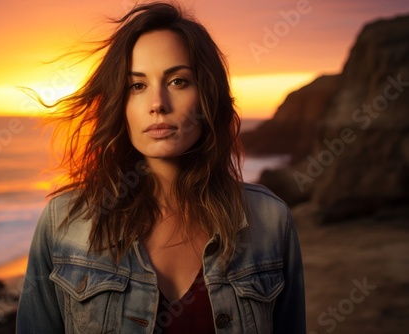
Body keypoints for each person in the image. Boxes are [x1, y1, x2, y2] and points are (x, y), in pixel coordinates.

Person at [16, 2, 306, 333]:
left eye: (178, 81)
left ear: (207, 95)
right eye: (136, 86)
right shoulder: (64, 224)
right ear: (119, 104)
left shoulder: (270, 220)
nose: (157, 104)